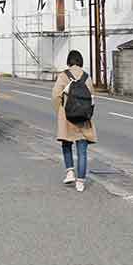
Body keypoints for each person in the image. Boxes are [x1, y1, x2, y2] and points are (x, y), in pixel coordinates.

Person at [52, 50, 97, 193]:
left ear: (69, 61)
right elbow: (92, 98)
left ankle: (70, 172)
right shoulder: (87, 77)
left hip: (67, 116)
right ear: (81, 61)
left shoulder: (64, 76)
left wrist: (60, 110)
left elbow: (55, 95)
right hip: (83, 118)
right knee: (82, 151)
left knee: (66, 144)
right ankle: (81, 182)